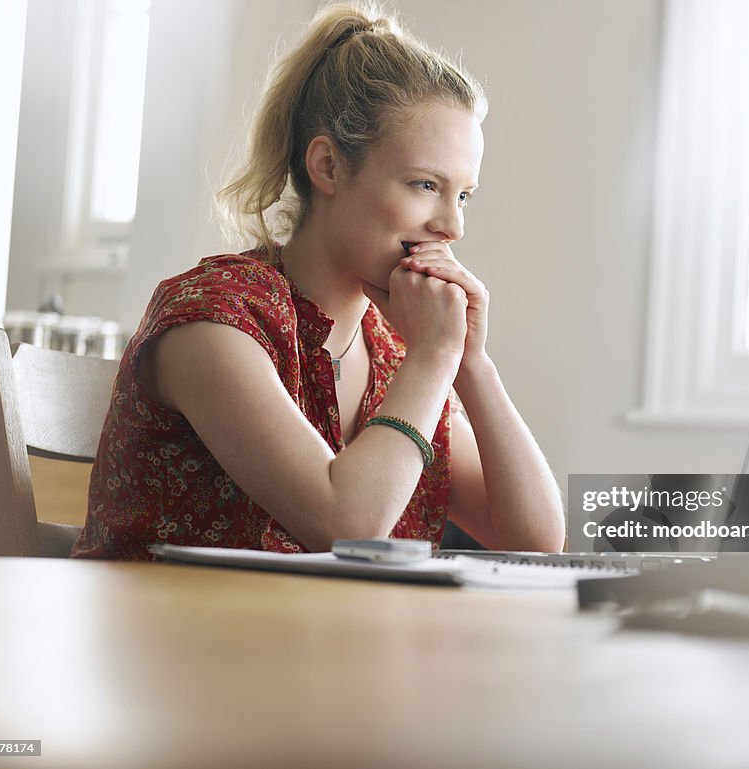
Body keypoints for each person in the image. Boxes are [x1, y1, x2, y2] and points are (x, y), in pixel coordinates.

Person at [71, 2, 564, 560]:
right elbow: (346, 527)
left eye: (463, 195)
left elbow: (536, 542)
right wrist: (434, 357)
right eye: (425, 185)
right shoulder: (213, 321)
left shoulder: (395, 349)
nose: (452, 225)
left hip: (325, 644)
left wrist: (471, 362)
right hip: (185, 641)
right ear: (328, 166)